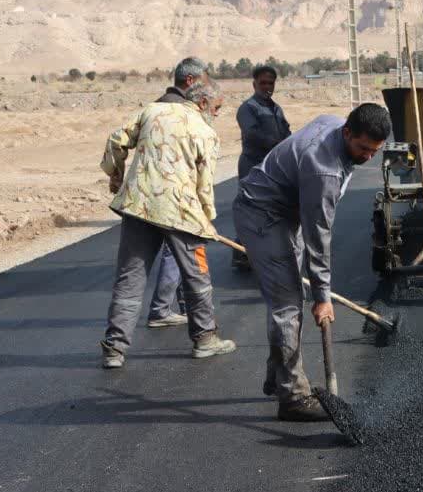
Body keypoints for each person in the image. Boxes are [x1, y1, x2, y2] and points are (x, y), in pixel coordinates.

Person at [232, 103, 391, 421]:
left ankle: (277, 376)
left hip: (288, 210)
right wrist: (322, 297)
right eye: (363, 148)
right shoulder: (324, 170)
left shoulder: (334, 124)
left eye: (375, 151)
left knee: (289, 298)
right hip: (262, 214)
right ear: (347, 132)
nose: (367, 157)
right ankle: (292, 396)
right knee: (288, 304)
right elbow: (320, 237)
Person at [99, 80, 237, 368]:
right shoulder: (205, 132)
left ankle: (114, 349)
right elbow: (204, 185)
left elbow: (116, 139)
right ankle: (205, 339)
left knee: (130, 278)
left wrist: (115, 175)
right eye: (217, 108)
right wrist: (207, 220)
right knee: (197, 276)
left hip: (138, 206)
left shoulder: (152, 111)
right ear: (202, 103)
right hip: (180, 214)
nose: (217, 114)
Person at [135, 56, 209, 327]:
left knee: (173, 252)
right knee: (178, 252)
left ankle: (178, 305)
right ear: (190, 81)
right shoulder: (183, 111)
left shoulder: (156, 106)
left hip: (153, 194)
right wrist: (205, 212)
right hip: (175, 195)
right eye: (203, 82)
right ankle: (163, 309)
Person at [231, 64, 291, 271]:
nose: (267, 87)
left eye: (271, 83)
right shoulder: (247, 108)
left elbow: (287, 131)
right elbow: (252, 133)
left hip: (273, 167)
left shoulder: (276, 108)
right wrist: (278, 144)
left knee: (271, 208)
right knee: (250, 208)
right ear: (254, 84)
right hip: (253, 166)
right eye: (263, 83)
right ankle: (241, 253)